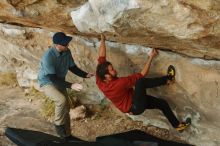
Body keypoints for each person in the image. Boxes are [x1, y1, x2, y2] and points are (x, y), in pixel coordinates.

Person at [96, 34, 190, 132]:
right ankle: (168, 79)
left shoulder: (100, 79)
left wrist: (102, 40)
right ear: (106, 76)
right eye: (111, 70)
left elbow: (101, 56)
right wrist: (151, 57)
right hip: (136, 106)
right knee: (140, 82)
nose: (114, 70)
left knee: (162, 103)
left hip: (133, 105)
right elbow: (142, 75)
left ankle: (178, 126)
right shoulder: (119, 83)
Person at [38, 32, 93, 141]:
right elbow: (53, 78)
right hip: (47, 81)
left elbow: (72, 67)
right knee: (61, 100)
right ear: (57, 45)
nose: (67, 45)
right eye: (65, 44)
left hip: (59, 81)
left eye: (67, 43)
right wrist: (71, 85)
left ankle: (67, 135)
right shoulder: (48, 57)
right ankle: (58, 124)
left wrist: (85, 74)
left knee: (66, 107)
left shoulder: (67, 51)